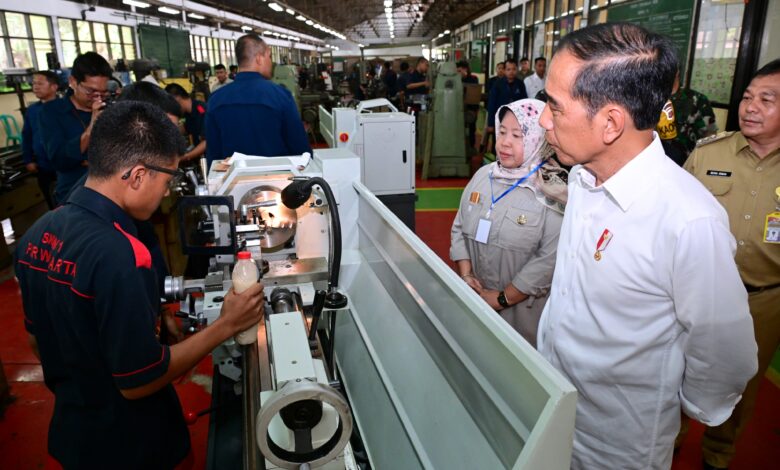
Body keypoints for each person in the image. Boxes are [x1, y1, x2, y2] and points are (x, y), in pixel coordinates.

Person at [536, 22, 757, 469]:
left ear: (611, 123)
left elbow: (725, 351)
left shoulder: (687, 219)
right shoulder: (583, 177)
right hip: (553, 402)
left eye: (555, 107)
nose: (543, 119)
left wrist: (676, 404)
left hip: (618, 439)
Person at [14, 101, 264, 469]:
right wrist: (227, 323)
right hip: (134, 445)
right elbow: (140, 380)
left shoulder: (38, 232)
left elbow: (38, 339)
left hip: (75, 433)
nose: (166, 193)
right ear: (137, 175)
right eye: (166, 181)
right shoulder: (122, 254)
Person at [682, 58, 780, 470]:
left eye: (766, 99)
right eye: (746, 97)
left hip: (763, 301)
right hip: (696, 292)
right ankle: (666, 442)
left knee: (743, 385)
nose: (750, 107)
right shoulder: (708, 155)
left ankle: (717, 457)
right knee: (677, 372)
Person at [451, 99, 567, 346]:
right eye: (502, 132)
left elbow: (549, 258)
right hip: (475, 298)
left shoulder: (552, 187)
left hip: (523, 314)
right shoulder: (484, 175)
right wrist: (466, 274)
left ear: (538, 138)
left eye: (517, 135)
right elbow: (459, 225)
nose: (504, 142)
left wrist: (502, 299)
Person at [205, 34, 311, 165]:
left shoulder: (216, 100)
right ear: (260, 58)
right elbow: (300, 149)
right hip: (278, 182)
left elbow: (213, 155)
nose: (271, 62)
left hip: (231, 182)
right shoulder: (281, 96)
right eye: (269, 56)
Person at [39, 52, 112, 203]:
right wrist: (92, 128)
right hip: (74, 196)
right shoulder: (52, 112)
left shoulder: (109, 108)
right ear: (73, 82)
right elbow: (59, 160)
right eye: (91, 91)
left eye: (103, 92)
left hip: (112, 193)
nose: (98, 97)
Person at [22, 70, 59, 209]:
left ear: (54, 86)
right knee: (51, 202)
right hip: (43, 165)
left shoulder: (64, 108)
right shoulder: (32, 110)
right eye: (34, 84)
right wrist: (28, 159)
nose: (35, 87)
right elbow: (27, 135)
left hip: (66, 165)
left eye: (40, 83)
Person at [671, 72, 718, 157]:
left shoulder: (698, 99)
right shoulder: (649, 98)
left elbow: (710, 136)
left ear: (677, 71)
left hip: (687, 164)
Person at [486, 59, 528, 143]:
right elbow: (491, 104)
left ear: (516, 70)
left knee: (513, 141)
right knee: (498, 142)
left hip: (515, 118)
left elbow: (524, 102)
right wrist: (490, 124)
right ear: (505, 71)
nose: (511, 72)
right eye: (508, 69)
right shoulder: (497, 84)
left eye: (514, 69)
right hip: (500, 118)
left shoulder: (520, 84)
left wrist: (525, 120)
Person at [165, 83, 207, 164]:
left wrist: (186, 157)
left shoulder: (201, 110)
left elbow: (206, 142)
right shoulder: (188, 114)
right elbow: (184, 128)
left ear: (177, 98)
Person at [457, 60, 480, 149]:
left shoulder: (473, 79)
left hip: (471, 109)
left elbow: (474, 92)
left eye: (459, 71)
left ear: (465, 69)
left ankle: (471, 147)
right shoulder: (456, 80)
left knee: (471, 129)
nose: (458, 73)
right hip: (459, 109)